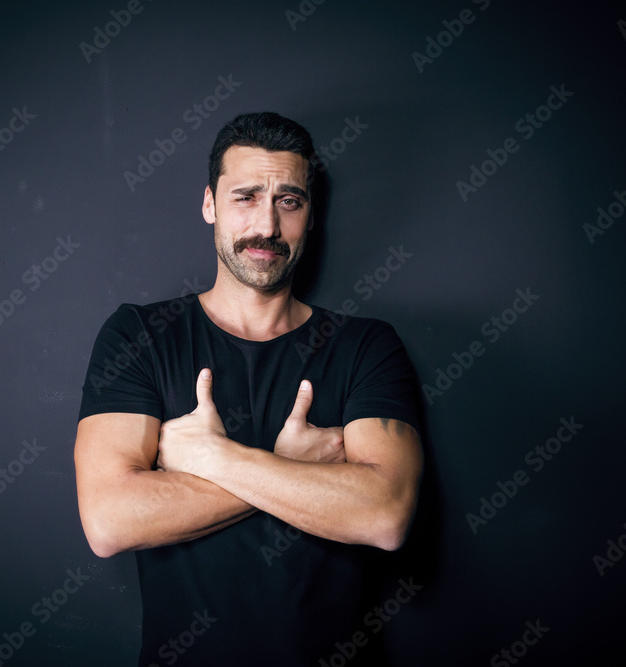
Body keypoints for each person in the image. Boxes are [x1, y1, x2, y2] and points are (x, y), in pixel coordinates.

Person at [74, 111, 423, 666]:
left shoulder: (365, 346)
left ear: (310, 215)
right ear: (210, 203)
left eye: (289, 200)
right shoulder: (139, 335)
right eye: (245, 197)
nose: (267, 225)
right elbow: (110, 520)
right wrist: (291, 466)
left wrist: (212, 461)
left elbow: (384, 517)